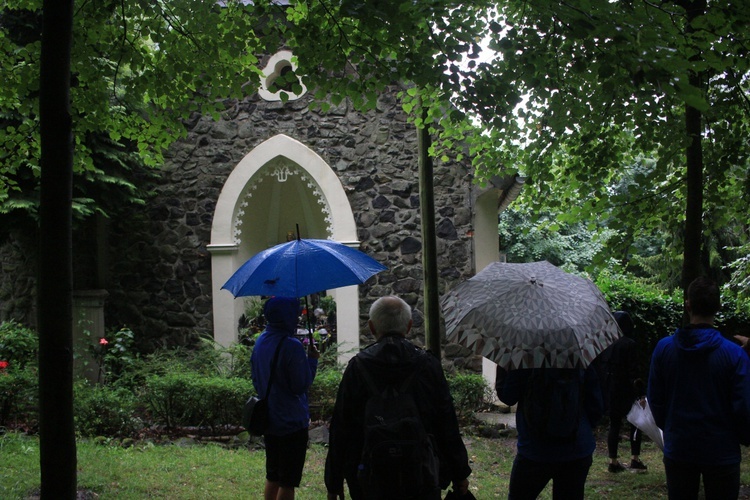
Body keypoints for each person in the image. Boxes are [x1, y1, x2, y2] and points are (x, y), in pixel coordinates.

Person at [324, 295, 472, 499]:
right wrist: (460, 472)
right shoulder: (428, 365)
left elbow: (341, 426)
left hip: (368, 475)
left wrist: (334, 481)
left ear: (371, 327)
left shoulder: (357, 367)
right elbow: (446, 422)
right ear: (409, 326)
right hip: (422, 473)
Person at [648, 276, 750, 500]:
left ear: (688, 305)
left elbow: (655, 400)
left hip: (679, 448)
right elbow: (743, 407)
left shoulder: (664, 349)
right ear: (718, 307)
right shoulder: (734, 354)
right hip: (722, 450)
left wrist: (673, 428)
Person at [495, 362, 603, 500]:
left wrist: (506, 363)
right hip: (577, 448)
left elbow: (508, 396)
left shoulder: (526, 358)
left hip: (534, 448)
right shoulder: (579, 355)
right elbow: (596, 405)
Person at [251, 296, 320, 500]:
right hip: (291, 422)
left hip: (269, 419)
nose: (298, 315)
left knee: (273, 475)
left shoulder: (261, 340)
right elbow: (301, 385)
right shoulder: (291, 345)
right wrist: (312, 361)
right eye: (294, 312)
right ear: (288, 315)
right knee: (288, 481)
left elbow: (255, 378)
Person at [602, 311, 647, 473]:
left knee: (614, 424)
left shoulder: (607, 343)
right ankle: (635, 458)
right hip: (627, 390)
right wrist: (641, 394)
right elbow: (634, 371)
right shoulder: (630, 344)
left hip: (611, 390)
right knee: (636, 423)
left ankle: (613, 461)